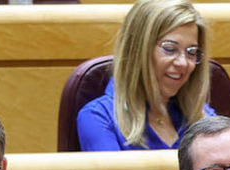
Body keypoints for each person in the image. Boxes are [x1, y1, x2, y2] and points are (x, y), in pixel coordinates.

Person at [76, 0, 213, 151]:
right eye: (170, 49)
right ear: (138, 50)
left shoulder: (201, 115)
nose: (183, 63)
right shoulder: (99, 117)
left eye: (191, 52)